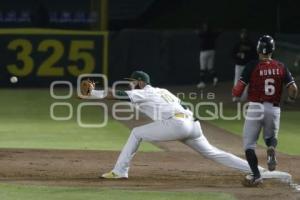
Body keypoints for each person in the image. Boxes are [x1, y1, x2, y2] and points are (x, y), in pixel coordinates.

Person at [80, 70, 265, 179]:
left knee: (137, 132)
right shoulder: (162, 91)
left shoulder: (144, 92)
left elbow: (117, 95)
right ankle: (255, 169)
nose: (130, 85)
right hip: (192, 123)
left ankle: (120, 171)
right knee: (214, 153)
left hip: (177, 124)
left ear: (141, 82)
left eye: (132, 82)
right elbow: (184, 105)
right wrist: (193, 124)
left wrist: (94, 92)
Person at [232, 35, 298, 186]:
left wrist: (236, 92)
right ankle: (271, 149)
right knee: (270, 137)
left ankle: (256, 176)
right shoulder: (281, 66)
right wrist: (291, 100)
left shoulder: (252, 66)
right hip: (273, 108)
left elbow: (237, 91)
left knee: (249, 145)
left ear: (258, 49)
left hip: (255, 107)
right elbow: (293, 89)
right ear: (272, 49)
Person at [232, 29, 256, 102]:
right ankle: (237, 96)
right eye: (242, 33)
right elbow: (232, 54)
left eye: (245, 33)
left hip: (247, 65)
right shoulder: (238, 44)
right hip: (239, 65)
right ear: (240, 35)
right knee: (237, 81)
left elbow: (254, 55)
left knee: (247, 82)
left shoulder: (251, 44)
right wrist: (237, 55)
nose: (243, 35)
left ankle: (244, 97)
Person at [197, 22, 218, 89]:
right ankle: (215, 78)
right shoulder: (212, 33)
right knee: (210, 68)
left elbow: (199, 34)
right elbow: (217, 33)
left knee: (202, 68)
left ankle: (202, 83)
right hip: (212, 51)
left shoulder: (203, 33)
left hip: (204, 52)